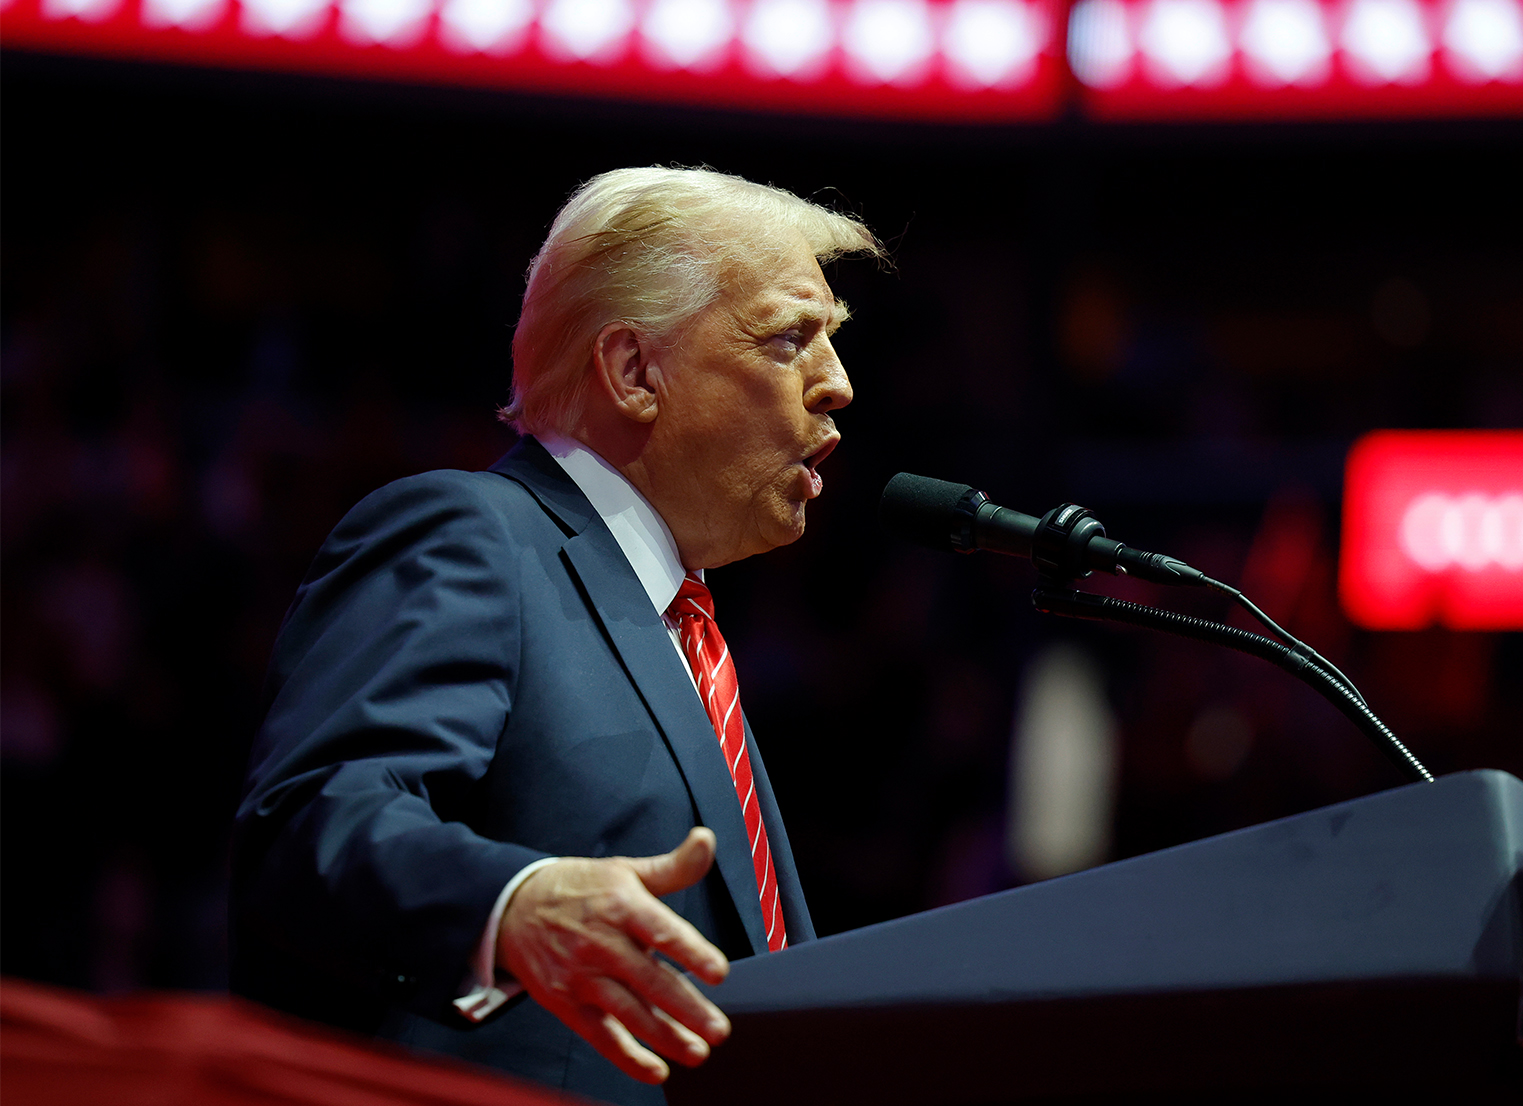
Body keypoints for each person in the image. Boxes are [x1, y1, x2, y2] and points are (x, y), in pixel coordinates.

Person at [230, 167, 883, 1106]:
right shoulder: (472, 533)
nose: (839, 386)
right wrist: (513, 904)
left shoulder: (681, 628)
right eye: (791, 339)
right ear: (631, 373)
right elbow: (311, 822)